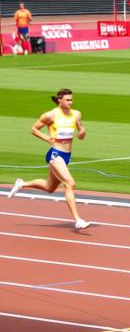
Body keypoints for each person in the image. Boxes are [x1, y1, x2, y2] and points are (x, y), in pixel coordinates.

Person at [7, 88, 91, 231]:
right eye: (68, 100)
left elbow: (80, 131)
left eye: (72, 99)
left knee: (49, 188)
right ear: (59, 100)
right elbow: (34, 129)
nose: (71, 102)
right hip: (55, 155)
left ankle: (22, 184)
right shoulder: (51, 115)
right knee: (70, 183)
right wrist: (48, 138)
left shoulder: (76, 114)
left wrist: (82, 132)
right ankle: (78, 220)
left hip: (67, 156)